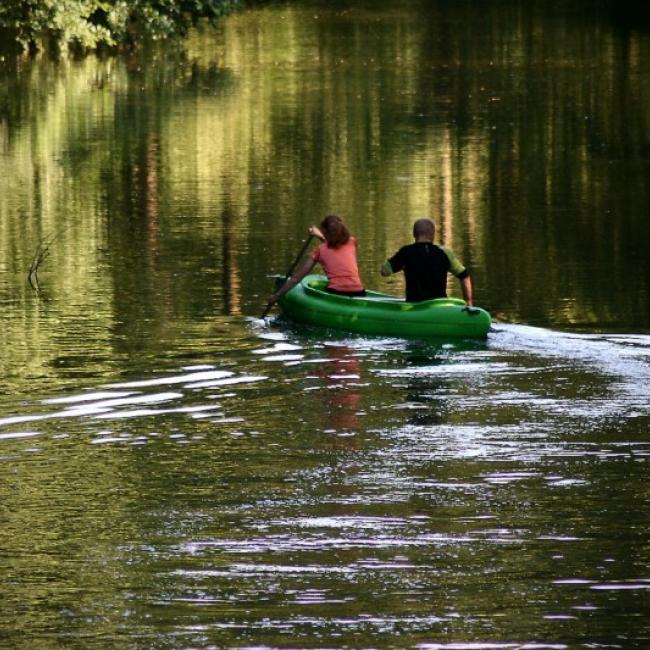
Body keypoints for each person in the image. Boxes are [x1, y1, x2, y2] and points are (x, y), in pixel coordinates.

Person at [268, 214, 365, 306]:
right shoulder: (352, 242)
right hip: (359, 292)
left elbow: (297, 278)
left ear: (325, 232)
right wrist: (320, 236)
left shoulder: (319, 251)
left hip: (337, 293)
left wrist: (277, 296)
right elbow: (333, 245)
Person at [381, 217, 474, 306]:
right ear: (433, 234)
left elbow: (385, 272)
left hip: (415, 307)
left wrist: (400, 262)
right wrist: (468, 302)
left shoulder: (406, 252)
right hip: (440, 307)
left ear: (414, 234)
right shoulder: (445, 253)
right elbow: (464, 276)